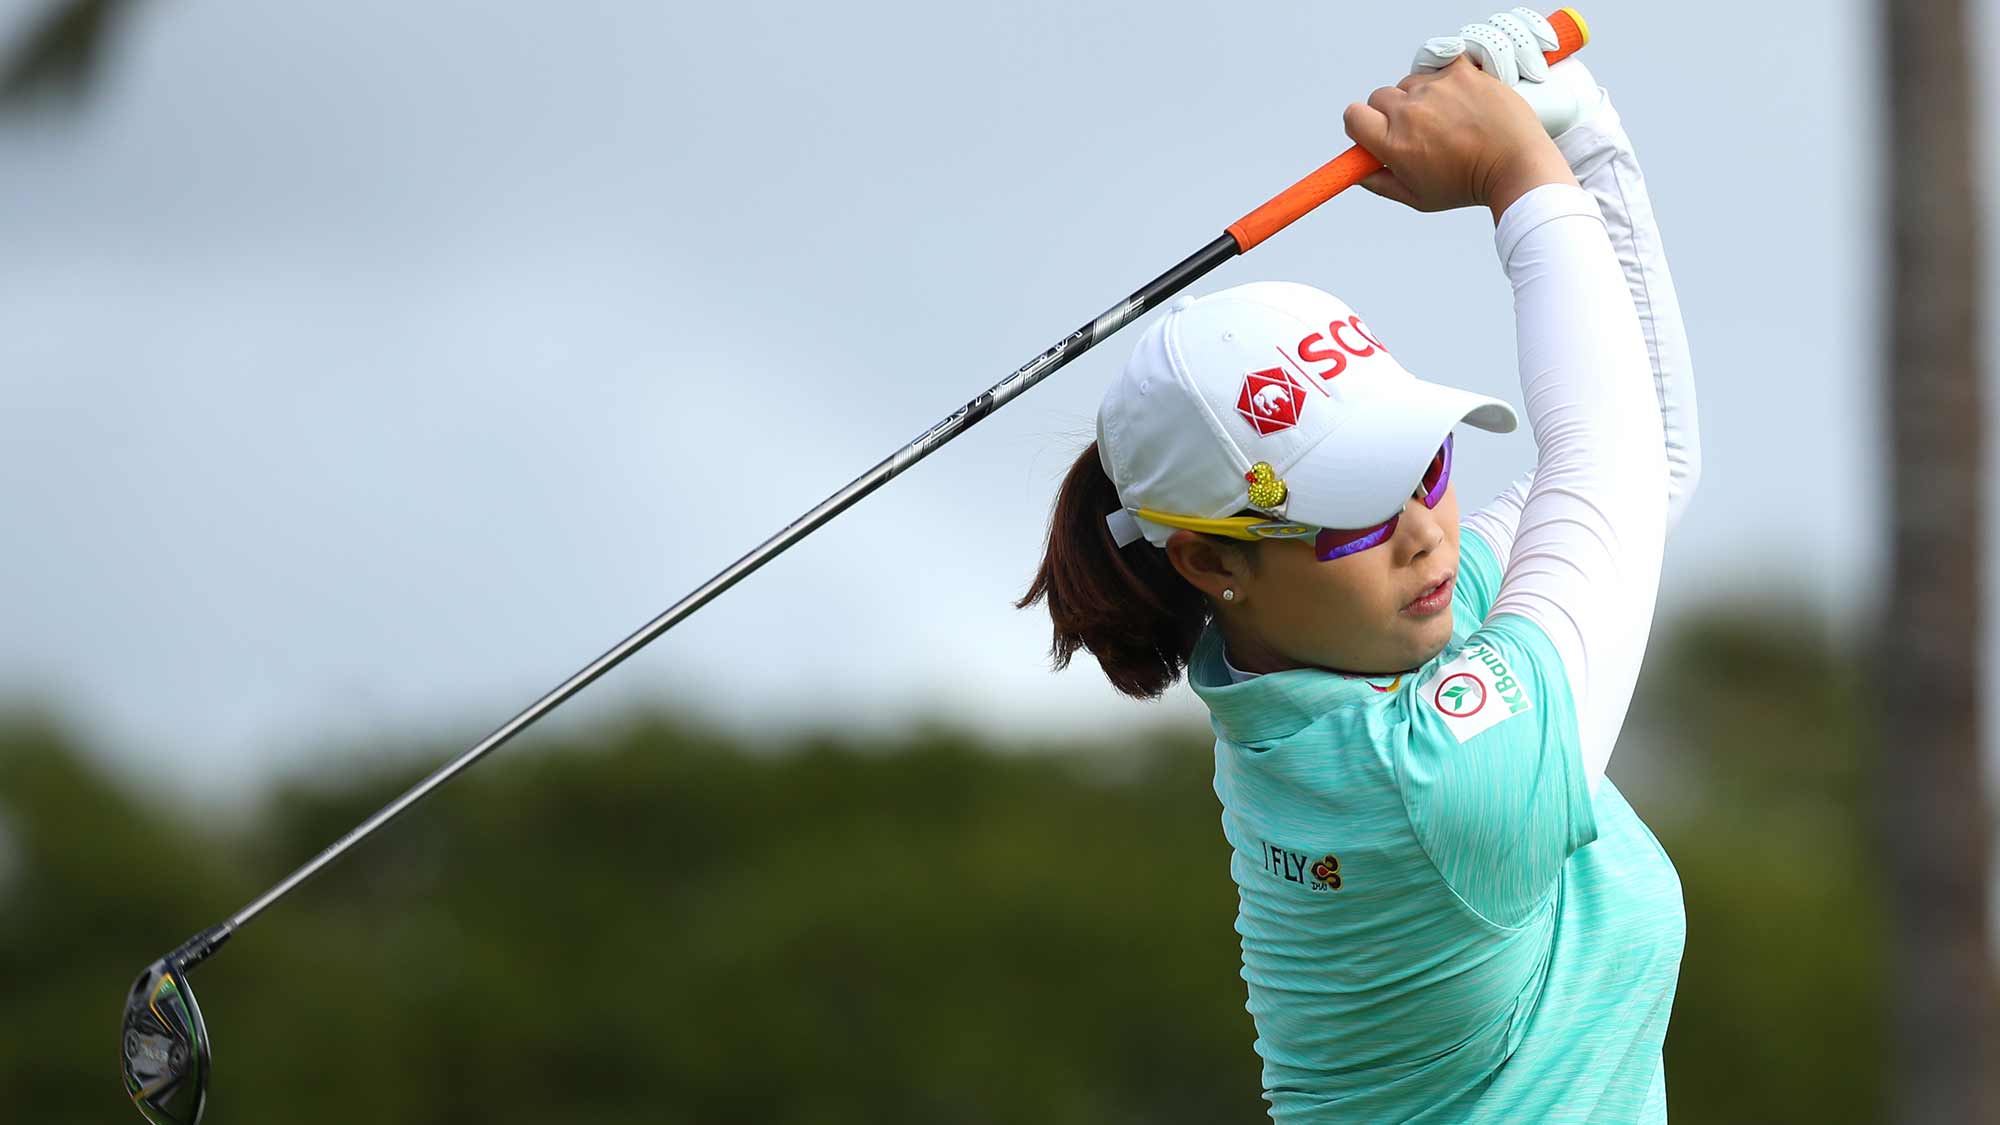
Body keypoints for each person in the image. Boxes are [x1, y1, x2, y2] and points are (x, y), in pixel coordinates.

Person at [1018, 9, 1700, 1122]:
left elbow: (1647, 462)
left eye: (1424, 465)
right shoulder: (1426, 779)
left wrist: (1578, 141)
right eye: (1346, 515)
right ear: (1208, 562)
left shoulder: (1363, 643)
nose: (1424, 531)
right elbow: (1608, 459)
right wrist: (1518, 172)